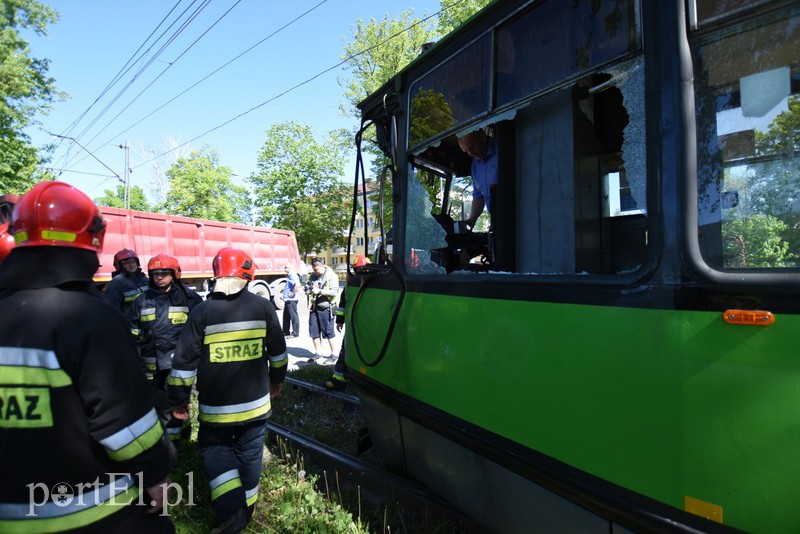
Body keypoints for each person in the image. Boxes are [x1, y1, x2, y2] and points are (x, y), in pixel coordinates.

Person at [0, 181, 174, 532]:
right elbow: (126, 426)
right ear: (92, 238)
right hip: (95, 512)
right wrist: (156, 473)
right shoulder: (88, 317)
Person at [168, 247, 287, 533]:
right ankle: (246, 510)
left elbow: (183, 363)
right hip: (257, 406)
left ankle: (230, 511)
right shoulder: (263, 307)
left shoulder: (202, 312)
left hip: (217, 410)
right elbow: (279, 354)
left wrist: (179, 400)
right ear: (249, 273)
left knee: (215, 452)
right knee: (250, 454)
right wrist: (276, 380)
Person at [128, 253, 202, 443]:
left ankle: (180, 443)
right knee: (158, 404)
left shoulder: (189, 299)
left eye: (164, 273)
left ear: (174, 274)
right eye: (155, 274)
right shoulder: (141, 301)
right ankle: (165, 444)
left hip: (179, 363)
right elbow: (133, 334)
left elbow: (200, 332)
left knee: (179, 402)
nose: (159, 277)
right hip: (151, 365)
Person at [325, 254, 370, 391]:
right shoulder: (351, 284)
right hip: (354, 325)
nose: (359, 273)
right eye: (357, 270)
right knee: (346, 350)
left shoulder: (377, 284)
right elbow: (343, 303)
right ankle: (339, 380)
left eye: (361, 270)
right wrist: (340, 320)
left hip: (369, 325)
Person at [457, 128, 498, 229]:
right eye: (466, 151)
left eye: (472, 147)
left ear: (482, 137)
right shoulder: (475, 166)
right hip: (496, 222)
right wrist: (472, 219)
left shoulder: (503, 149)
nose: (471, 154)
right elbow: (478, 196)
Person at [306, 257, 339, 363]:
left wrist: (319, 291)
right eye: (313, 269)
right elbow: (309, 285)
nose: (315, 272)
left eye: (316, 270)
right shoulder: (313, 275)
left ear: (322, 266)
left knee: (329, 332)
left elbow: (334, 292)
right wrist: (308, 289)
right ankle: (318, 353)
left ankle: (334, 354)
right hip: (315, 307)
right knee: (314, 331)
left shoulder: (331, 276)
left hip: (327, 308)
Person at [102, 248, 149, 313]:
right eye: (127, 263)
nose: (131, 265)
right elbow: (113, 310)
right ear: (119, 266)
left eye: (133, 262)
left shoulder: (143, 278)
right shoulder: (116, 284)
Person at [281, 264, 301, 338]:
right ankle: (285, 332)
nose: (284, 268)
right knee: (286, 316)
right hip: (287, 299)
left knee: (293, 316)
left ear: (290, 268)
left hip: (292, 299)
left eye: (286, 267)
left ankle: (295, 333)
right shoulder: (289, 275)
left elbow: (297, 285)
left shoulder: (293, 275)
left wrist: (292, 293)